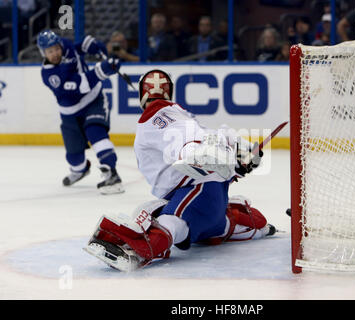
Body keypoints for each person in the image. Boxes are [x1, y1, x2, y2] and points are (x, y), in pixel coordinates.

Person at [84, 69, 276, 271]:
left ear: (142, 94)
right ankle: (244, 222)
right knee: (153, 212)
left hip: (198, 191)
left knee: (171, 222)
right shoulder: (180, 114)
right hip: (209, 203)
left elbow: (184, 139)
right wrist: (239, 158)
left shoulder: (157, 115)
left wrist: (193, 150)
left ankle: (140, 249)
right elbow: (212, 137)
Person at [37, 30, 124, 194]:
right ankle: (80, 169)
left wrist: (92, 46)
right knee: (74, 156)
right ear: (43, 53)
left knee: (95, 132)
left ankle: (112, 174)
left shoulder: (65, 46)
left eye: (56, 48)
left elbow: (78, 48)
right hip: (70, 113)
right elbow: (81, 85)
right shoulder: (50, 75)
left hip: (93, 101)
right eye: (50, 51)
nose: (55, 53)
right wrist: (103, 70)